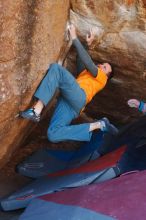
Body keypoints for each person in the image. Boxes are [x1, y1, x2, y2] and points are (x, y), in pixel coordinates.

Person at [20, 24, 116, 143]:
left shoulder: (102, 79)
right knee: (53, 134)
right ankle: (98, 125)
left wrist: (74, 37)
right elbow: (81, 60)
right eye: (102, 64)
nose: (101, 65)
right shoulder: (87, 74)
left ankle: (36, 110)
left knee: (56, 69)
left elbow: (88, 62)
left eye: (105, 67)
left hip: (79, 97)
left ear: (106, 75)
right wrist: (87, 44)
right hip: (71, 104)